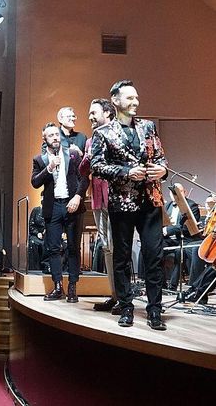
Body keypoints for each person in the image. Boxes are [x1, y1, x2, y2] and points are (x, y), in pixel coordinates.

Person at [91, 79, 168, 330]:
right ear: (115, 100)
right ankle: (126, 307)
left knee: (154, 256)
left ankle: (155, 309)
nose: (135, 101)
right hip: (122, 202)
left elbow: (161, 157)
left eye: (136, 97)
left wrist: (163, 170)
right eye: (130, 97)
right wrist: (126, 172)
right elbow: (96, 166)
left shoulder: (148, 126)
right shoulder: (102, 133)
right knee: (122, 257)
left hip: (151, 200)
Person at [31, 122, 89, 302]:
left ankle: (72, 287)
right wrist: (49, 168)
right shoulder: (40, 159)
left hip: (72, 204)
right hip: (53, 206)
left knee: (73, 247)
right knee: (53, 248)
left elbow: (84, 178)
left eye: (57, 134)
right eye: (51, 135)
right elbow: (35, 182)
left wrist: (78, 197)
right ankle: (58, 286)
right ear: (45, 139)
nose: (55, 138)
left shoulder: (72, 154)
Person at [79, 98, 119, 313]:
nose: (90, 117)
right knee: (107, 248)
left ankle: (123, 297)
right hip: (97, 199)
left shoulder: (119, 136)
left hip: (116, 199)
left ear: (108, 113)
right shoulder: (90, 141)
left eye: (93, 113)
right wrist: (88, 156)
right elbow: (83, 169)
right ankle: (115, 295)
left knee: (118, 248)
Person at [161, 183, 202, 290]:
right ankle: (160, 283)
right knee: (155, 247)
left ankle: (173, 285)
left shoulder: (191, 205)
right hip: (170, 239)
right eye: (173, 193)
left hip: (186, 239)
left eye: (179, 192)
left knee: (179, 252)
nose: (175, 195)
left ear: (184, 192)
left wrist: (169, 230)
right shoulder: (168, 205)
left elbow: (188, 227)